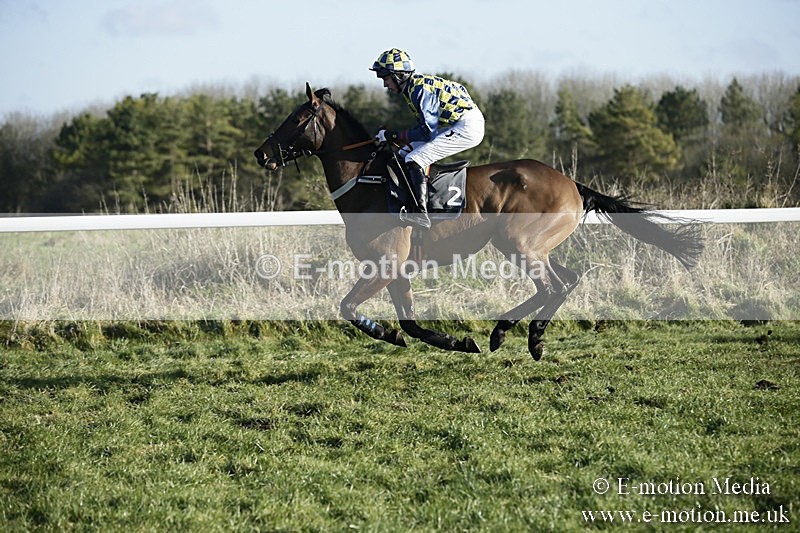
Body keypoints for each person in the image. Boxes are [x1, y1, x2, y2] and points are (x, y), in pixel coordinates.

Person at [370, 48, 485, 228]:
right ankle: (407, 203)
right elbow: (423, 129)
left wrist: (392, 135)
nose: (385, 85)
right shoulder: (413, 88)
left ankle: (420, 212)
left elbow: (427, 132)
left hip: (467, 126)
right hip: (455, 123)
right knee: (404, 152)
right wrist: (397, 138)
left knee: (414, 158)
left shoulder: (420, 90)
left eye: (386, 78)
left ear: (399, 76)